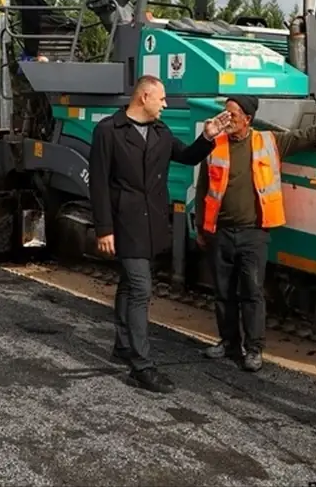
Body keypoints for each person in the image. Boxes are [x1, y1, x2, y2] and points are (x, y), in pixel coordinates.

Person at [195, 94, 316, 372]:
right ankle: (229, 342)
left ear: (247, 119)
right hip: (220, 233)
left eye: (232, 114)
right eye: (225, 113)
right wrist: (200, 226)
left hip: (254, 234)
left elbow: (309, 135)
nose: (226, 119)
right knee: (223, 292)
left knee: (252, 292)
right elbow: (203, 188)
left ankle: (254, 349)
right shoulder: (214, 145)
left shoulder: (269, 142)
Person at [89, 75, 229, 394]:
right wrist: (104, 229)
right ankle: (141, 365)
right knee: (141, 288)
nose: (165, 104)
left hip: (150, 224)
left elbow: (187, 156)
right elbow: (98, 183)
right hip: (123, 223)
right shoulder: (108, 131)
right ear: (144, 97)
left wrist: (208, 137)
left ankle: (123, 345)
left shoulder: (160, 132)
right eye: (162, 98)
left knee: (130, 285)